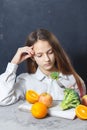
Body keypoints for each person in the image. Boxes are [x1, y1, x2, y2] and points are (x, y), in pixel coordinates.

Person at [0, 29, 86, 106]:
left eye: (50, 52)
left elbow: (81, 109)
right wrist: (13, 63)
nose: (47, 59)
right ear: (33, 57)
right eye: (39, 55)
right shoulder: (26, 81)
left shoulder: (72, 79)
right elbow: (3, 99)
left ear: (56, 52)